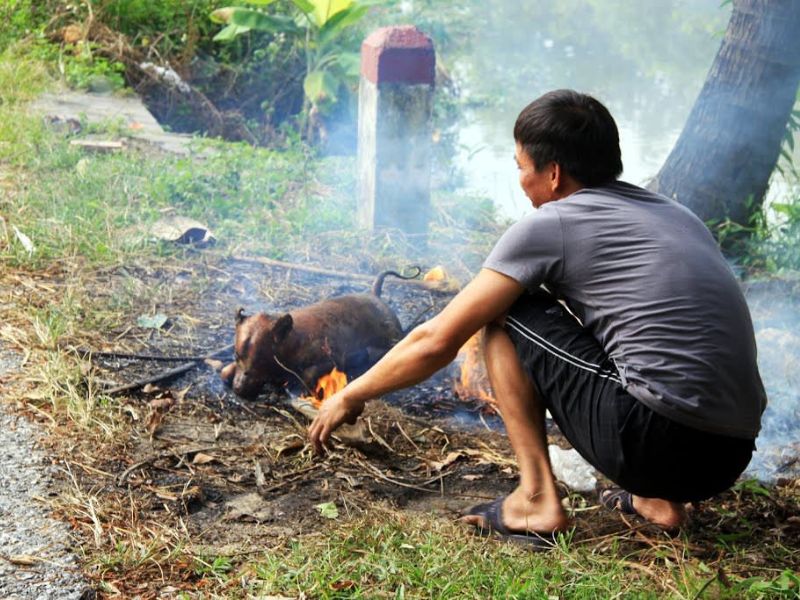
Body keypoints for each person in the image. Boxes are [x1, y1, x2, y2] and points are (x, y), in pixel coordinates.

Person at [308, 89, 766, 545]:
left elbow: (437, 340)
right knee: (616, 334)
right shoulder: (676, 215)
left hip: (655, 440)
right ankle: (659, 500)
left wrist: (350, 394)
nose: (521, 182)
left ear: (553, 174)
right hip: (729, 454)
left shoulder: (554, 223)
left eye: (521, 168)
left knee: (506, 313)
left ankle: (536, 499)